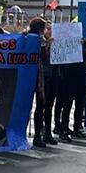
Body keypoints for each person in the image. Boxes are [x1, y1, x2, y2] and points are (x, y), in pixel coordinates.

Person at [29, 18, 59, 147]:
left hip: (50, 76)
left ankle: (47, 133)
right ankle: (38, 135)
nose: (48, 31)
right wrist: (47, 45)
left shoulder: (41, 40)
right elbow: (43, 56)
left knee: (48, 106)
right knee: (41, 107)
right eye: (46, 28)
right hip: (41, 78)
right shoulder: (36, 40)